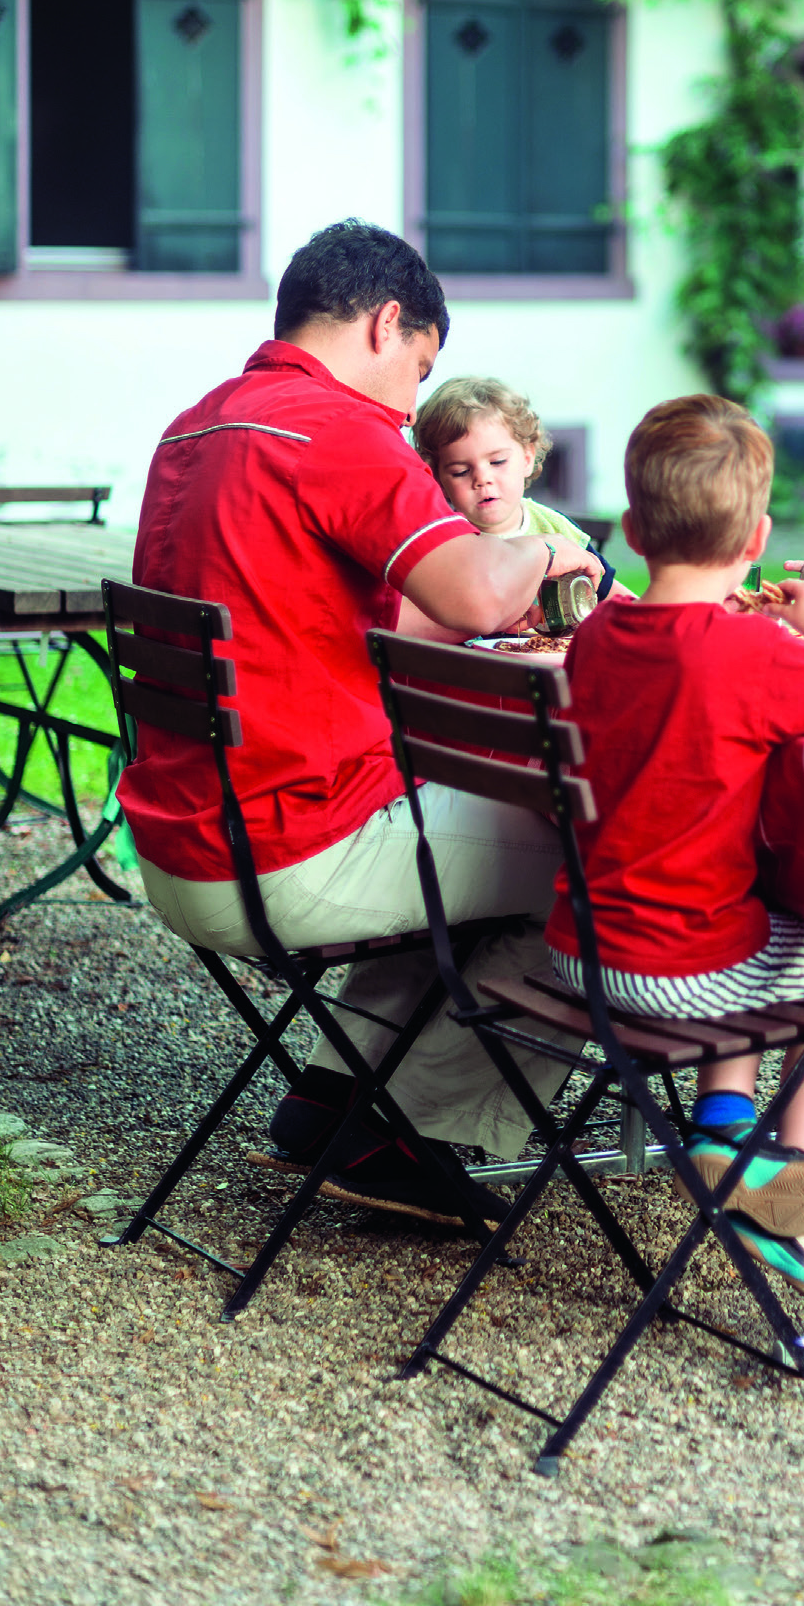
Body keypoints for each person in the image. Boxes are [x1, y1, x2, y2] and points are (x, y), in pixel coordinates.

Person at [117, 220, 603, 1224]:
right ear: (388, 322)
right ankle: (406, 1128)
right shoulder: (337, 429)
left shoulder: (199, 423)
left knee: (462, 821)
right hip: (285, 852)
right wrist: (549, 557)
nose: (416, 400)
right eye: (421, 369)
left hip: (183, 840)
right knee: (592, 853)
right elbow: (473, 593)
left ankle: (329, 1095)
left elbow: (363, 606)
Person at [547, 394, 804, 1319]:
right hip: (677, 973)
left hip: (577, 950)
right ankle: (790, 1186)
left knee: (766, 921)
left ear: (632, 528)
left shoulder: (598, 633)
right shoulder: (752, 650)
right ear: (757, 538)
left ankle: (724, 1135)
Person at [402, 375, 622, 633]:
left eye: (497, 462)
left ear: (527, 458)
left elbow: (614, 597)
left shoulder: (555, 528)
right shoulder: (446, 544)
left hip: (553, 667)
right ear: (439, 479)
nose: (482, 479)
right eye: (461, 471)